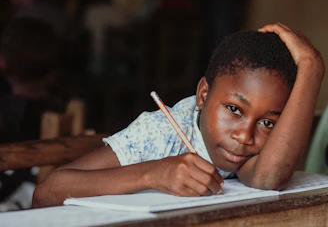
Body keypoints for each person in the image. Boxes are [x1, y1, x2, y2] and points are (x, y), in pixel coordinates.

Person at [32, 22, 325, 208]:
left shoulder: (244, 150)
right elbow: (47, 192)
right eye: (234, 109)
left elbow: (268, 177)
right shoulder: (160, 133)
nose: (244, 136)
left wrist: (312, 67)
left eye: (267, 122)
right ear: (203, 94)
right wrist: (154, 173)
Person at [0, 17, 66, 210]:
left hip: (10, 205)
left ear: (3, 64)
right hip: (47, 199)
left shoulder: (4, 114)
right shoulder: (64, 108)